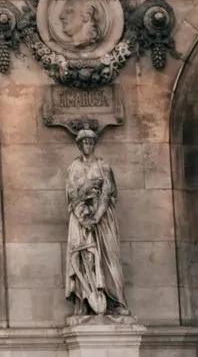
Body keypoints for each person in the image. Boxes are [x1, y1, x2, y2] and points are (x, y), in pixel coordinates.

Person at [63, 126, 123, 317]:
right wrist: (86, 189)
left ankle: (116, 301)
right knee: (84, 257)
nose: (88, 146)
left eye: (91, 143)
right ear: (79, 145)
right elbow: (72, 195)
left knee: (110, 258)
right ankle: (84, 301)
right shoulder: (73, 168)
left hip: (103, 218)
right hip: (80, 217)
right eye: (84, 143)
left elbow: (108, 192)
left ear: (94, 145)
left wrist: (96, 216)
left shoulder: (103, 166)